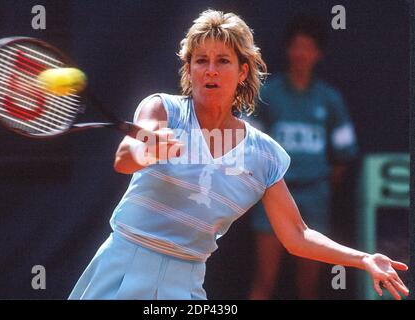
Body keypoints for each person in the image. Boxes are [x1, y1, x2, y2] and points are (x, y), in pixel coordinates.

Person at [68, 10, 408, 300]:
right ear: (189, 71)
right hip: (122, 264)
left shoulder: (263, 155)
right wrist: (148, 149)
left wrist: (363, 258)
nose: (211, 70)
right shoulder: (162, 109)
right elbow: (125, 157)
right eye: (201, 61)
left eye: (223, 61)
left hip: (186, 283)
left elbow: (297, 234)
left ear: (243, 71)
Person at [249, 14, 360, 300]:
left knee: (309, 285)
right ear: (288, 50)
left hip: (315, 197)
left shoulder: (329, 99)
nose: (301, 53)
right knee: (265, 279)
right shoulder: (267, 94)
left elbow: (344, 154)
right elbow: (247, 147)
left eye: (308, 47)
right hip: (272, 195)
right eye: (296, 46)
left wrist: (319, 183)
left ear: (318, 53)